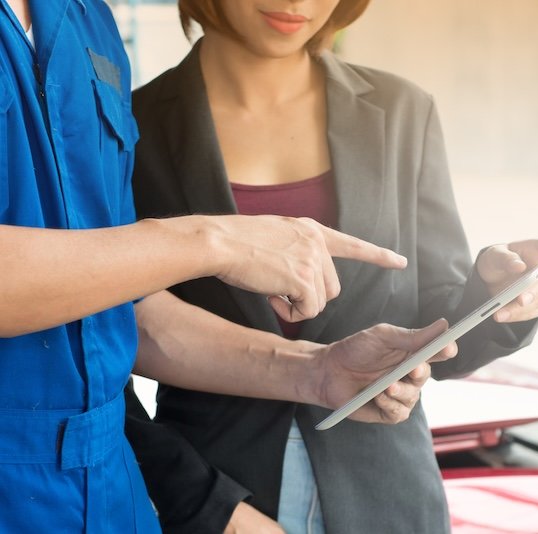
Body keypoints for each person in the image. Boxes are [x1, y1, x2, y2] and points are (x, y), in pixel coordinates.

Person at [123, 1, 538, 533]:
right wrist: (204, 505)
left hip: (387, 498)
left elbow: (439, 340)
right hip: (217, 493)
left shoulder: (402, 111)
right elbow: (97, 355)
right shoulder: (132, 128)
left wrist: (496, 296)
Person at [0, 1, 456, 532]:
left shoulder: (88, 23)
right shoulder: (155, 113)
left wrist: (314, 371)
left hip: (105, 497)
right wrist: (212, 240)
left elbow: (120, 312)